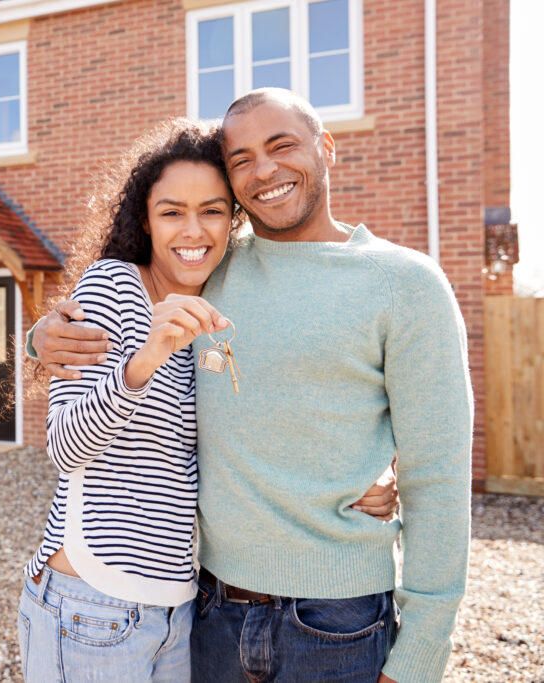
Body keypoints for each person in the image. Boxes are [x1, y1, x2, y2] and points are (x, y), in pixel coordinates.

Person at [29, 88, 471, 683]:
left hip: (337, 624)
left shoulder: (405, 283)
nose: (264, 170)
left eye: (282, 145)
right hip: (208, 613)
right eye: (241, 159)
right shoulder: (212, 265)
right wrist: (37, 336)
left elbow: (438, 475)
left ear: (327, 148)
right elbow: (123, 301)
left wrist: (420, 654)